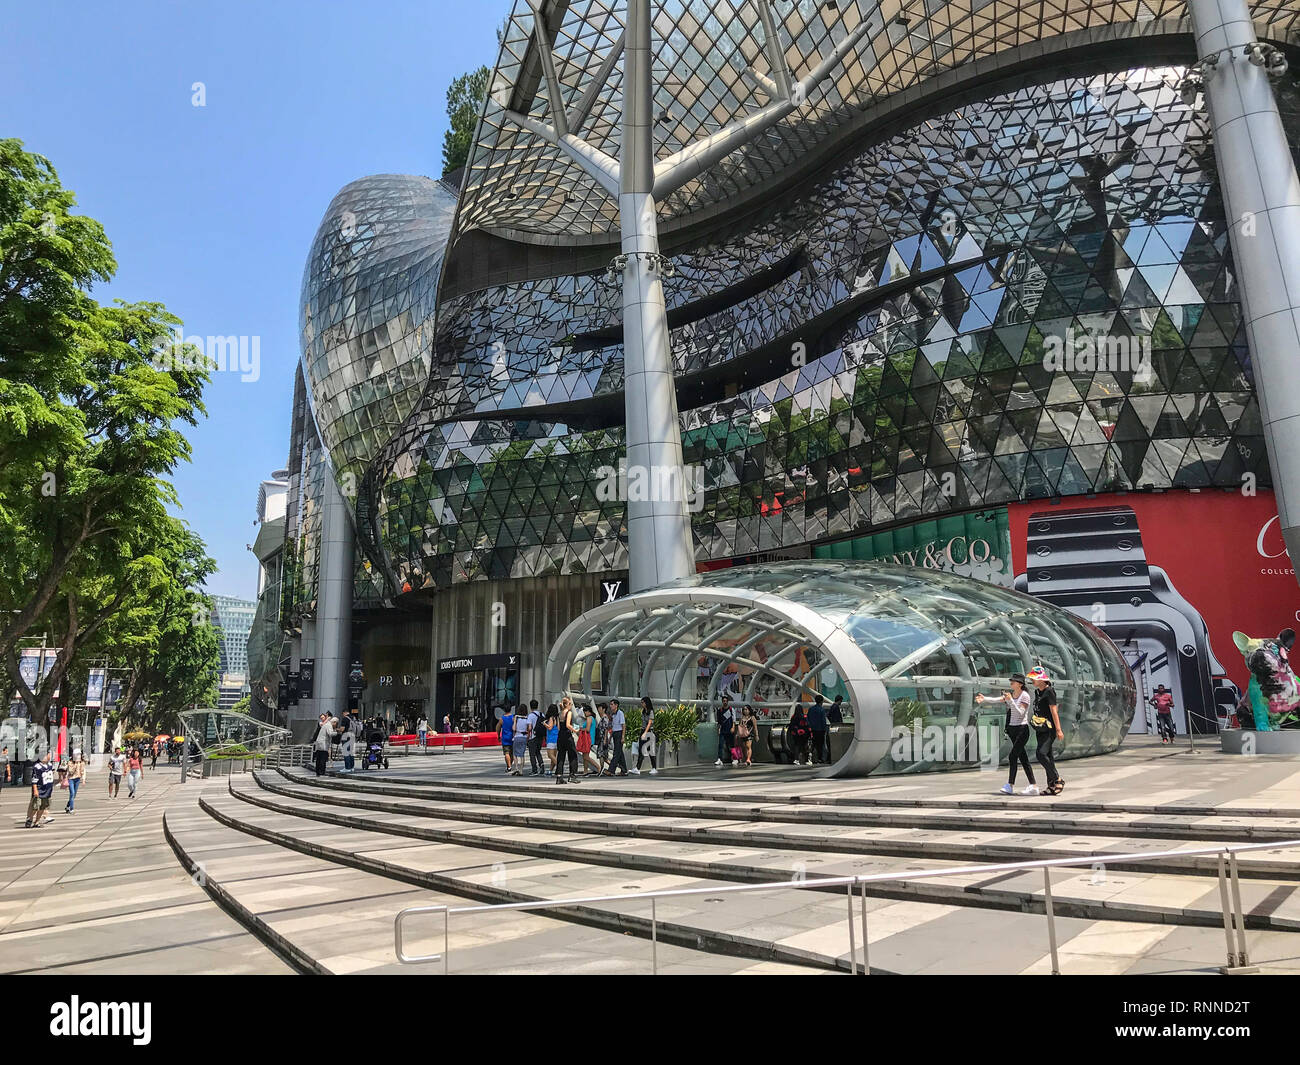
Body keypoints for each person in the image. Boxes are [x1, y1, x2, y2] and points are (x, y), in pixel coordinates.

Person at [977, 673, 1038, 795]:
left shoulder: (1025, 696)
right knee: (1023, 758)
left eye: (1014, 681)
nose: (1011, 683)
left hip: (1022, 729)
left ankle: (1010, 785)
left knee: (1012, 756)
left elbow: (1020, 712)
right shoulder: (1012, 694)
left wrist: (1011, 701)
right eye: (1011, 681)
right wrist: (985, 699)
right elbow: (998, 700)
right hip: (1013, 729)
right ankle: (1033, 786)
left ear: (1020, 684)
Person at [1027, 666, 1064, 795]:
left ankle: (1058, 779)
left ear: (1042, 680)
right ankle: (1052, 786)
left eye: (1034, 679)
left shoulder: (1049, 692)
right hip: (1040, 728)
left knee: (1040, 754)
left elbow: (1054, 712)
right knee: (1048, 756)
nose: (1032, 681)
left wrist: (1058, 730)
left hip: (1049, 729)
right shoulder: (1038, 692)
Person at [555, 696, 582, 785]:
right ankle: (573, 775)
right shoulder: (568, 713)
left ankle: (559, 776)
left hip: (560, 736)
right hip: (567, 735)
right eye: (570, 704)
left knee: (561, 756)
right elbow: (567, 725)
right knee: (573, 755)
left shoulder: (559, 714)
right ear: (567, 704)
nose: (571, 705)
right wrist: (575, 730)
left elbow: (558, 727)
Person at [26, 749, 55, 828]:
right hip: (40, 789)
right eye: (48, 754)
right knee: (36, 806)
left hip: (48, 789)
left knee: (43, 807)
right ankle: (30, 819)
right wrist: (35, 790)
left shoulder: (50, 765)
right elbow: (34, 780)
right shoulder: (37, 767)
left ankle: (37, 821)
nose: (49, 756)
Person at [630, 695, 658, 776]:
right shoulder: (644, 711)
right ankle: (638, 768)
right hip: (643, 730)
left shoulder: (651, 711)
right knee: (642, 749)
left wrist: (645, 733)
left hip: (649, 732)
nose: (641, 704)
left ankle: (653, 768)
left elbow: (649, 723)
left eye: (642, 702)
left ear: (646, 703)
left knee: (649, 751)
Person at [577, 705, 600, 775]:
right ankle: (585, 770)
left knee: (586, 756)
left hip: (588, 739)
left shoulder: (589, 718)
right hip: (589, 738)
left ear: (588, 711)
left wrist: (580, 729)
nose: (584, 713)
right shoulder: (592, 718)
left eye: (585, 712)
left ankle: (598, 767)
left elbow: (587, 729)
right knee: (585, 755)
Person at [607, 699, 628, 777]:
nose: (611, 706)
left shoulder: (620, 713)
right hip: (615, 733)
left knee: (616, 753)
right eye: (610, 704)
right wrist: (610, 737)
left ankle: (611, 770)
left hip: (619, 733)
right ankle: (624, 770)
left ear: (616, 705)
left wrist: (623, 736)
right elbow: (613, 726)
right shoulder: (613, 714)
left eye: (612, 704)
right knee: (620, 753)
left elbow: (623, 725)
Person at [808, 694, 829, 765]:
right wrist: (824, 729)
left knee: (813, 744)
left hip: (813, 730)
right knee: (820, 745)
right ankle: (820, 759)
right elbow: (823, 720)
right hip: (820, 730)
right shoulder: (821, 710)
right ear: (821, 701)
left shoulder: (811, 709)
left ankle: (811, 758)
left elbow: (808, 719)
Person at [714, 697, 734, 767]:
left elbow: (733, 720)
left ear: (727, 702)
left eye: (726, 701)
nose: (725, 702)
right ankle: (720, 759)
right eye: (723, 701)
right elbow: (719, 722)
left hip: (729, 729)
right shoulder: (720, 710)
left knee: (731, 745)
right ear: (722, 702)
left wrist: (733, 727)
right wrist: (718, 729)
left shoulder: (731, 709)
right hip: (723, 730)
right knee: (720, 745)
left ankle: (734, 758)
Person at [510, 704, 529, 775]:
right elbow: (528, 728)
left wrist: (514, 722)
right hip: (524, 737)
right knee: (522, 754)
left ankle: (516, 768)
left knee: (515, 754)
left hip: (517, 736)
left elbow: (514, 728)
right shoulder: (527, 718)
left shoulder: (516, 717)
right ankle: (521, 770)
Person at [499, 705, 516, 772]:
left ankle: (509, 766)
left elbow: (498, 728)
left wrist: (498, 735)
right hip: (512, 736)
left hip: (505, 737)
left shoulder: (501, 719)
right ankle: (510, 764)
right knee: (512, 753)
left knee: (506, 752)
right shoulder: (513, 718)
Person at [545, 705, 560, 776]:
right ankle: (550, 770)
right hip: (557, 737)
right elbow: (558, 728)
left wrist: (544, 724)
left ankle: (559, 767)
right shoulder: (557, 718)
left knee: (550, 755)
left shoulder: (551, 718)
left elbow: (550, 727)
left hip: (551, 738)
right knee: (553, 756)